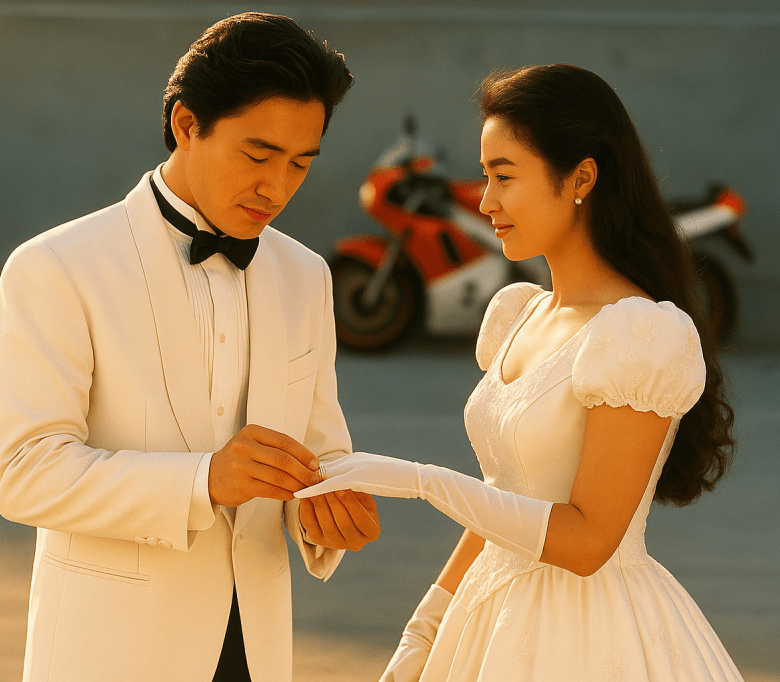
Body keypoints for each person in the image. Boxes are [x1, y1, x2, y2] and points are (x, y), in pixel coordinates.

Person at [297, 64, 744, 681]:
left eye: (504, 176)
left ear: (581, 176)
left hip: (592, 635)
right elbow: (504, 499)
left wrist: (424, 482)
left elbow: (589, 544)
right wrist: (423, 629)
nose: (486, 202)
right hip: (487, 621)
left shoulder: (639, 335)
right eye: (485, 177)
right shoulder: (519, 314)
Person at [0, 12, 380, 682]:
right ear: (186, 124)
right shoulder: (55, 267)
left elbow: (320, 450)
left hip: (255, 650)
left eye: (300, 164)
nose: (277, 187)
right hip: (111, 653)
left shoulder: (307, 275)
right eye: (258, 156)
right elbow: (24, 471)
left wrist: (327, 515)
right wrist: (202, 481)